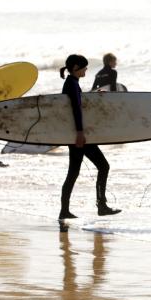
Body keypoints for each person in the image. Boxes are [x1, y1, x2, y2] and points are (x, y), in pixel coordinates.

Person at [59, 54, 121, 224]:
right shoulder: (71, 84)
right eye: (84, 67)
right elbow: (76, 110)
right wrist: (80, 132)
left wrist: (93, 94)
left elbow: (78, 102)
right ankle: (101, 206)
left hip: (75, 135)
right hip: (80, 135)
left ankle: (64, 210)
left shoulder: (71, 83)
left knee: (73, 172)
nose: (86, 70)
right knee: (103, 166)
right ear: (76, 67)